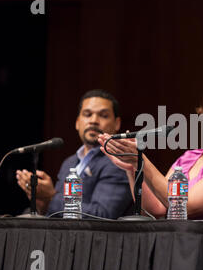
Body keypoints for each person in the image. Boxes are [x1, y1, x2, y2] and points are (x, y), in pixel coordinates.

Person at [97, 77, 203, 220]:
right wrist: (133, 167)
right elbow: (158, 208)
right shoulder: (189, 157)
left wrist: (141, 160)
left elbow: (185, 206)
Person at [15, 90, 134, 219]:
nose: (93, 121)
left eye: (103, 115)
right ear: (77, 122)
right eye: (87, 114)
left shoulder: (119, 162)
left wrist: (50, 197)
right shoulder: (69, 163)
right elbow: (58, 213)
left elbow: (102, 215)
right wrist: (40, 202)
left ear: (117, 123)